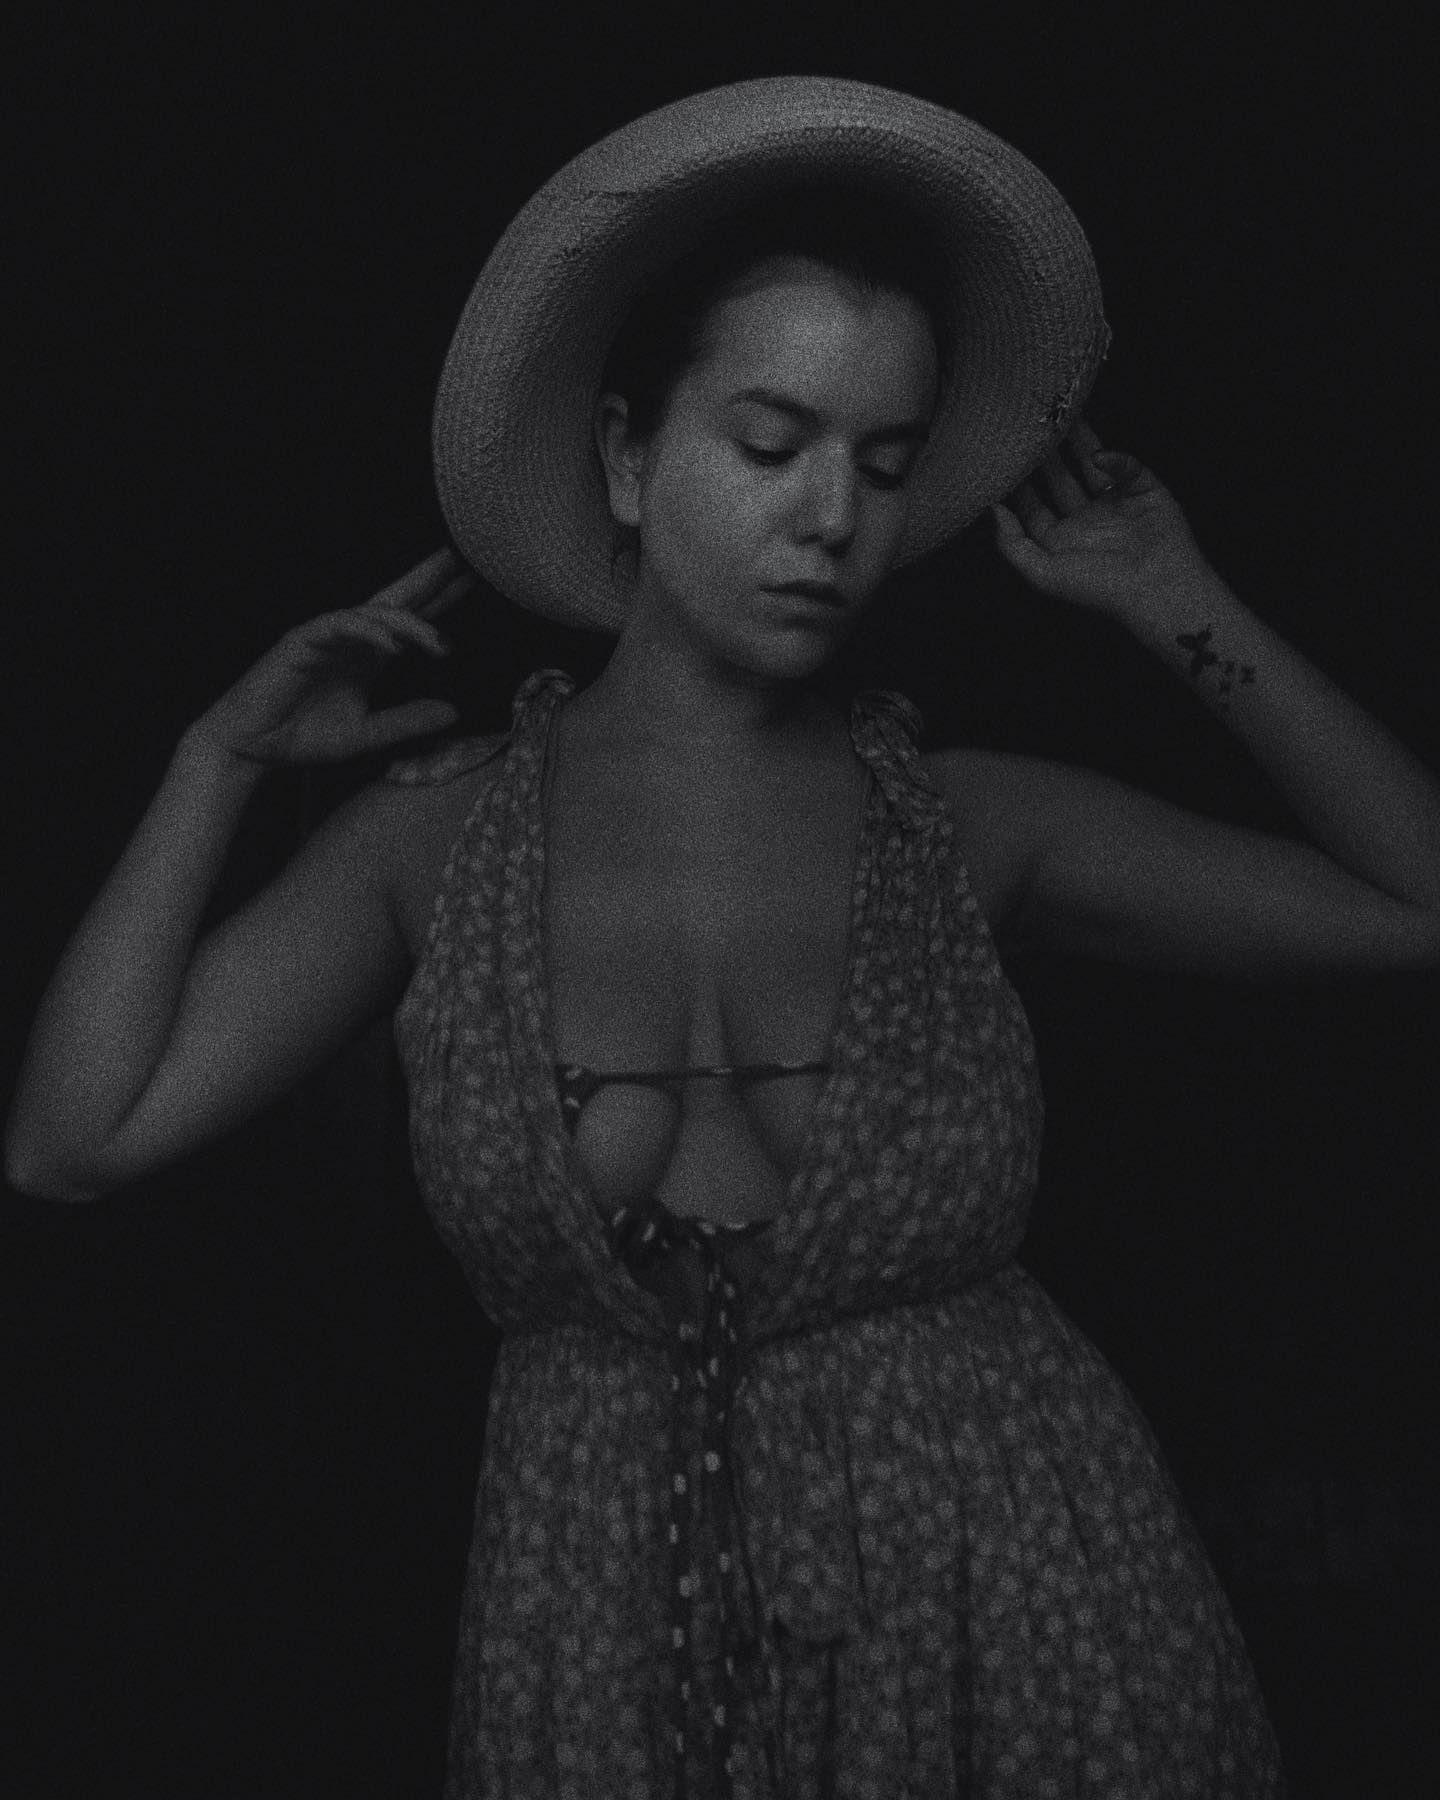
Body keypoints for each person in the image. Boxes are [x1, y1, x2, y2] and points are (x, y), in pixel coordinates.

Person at [7, 74, 1439, 1799]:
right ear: (627, 454)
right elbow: (73, 1141)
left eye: (885, 465)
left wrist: (1175, 600)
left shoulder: (973, 823)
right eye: (771, 445)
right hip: (602, 1624)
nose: (833, 517)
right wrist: (213, 763)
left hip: (1022, 1598)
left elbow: (1414, 906)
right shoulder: (432, 843)